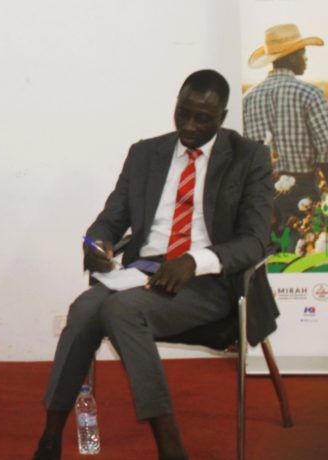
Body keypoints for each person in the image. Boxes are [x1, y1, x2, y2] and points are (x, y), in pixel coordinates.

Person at [33, 70, 277, 460]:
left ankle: (170, 447)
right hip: (142, 271)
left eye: (202, 119)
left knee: (121, 311)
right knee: (83, 310)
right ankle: (50, 436)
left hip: (208, 281)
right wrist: (96, 243)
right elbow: (110, 220)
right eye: (182, 113)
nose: (189, 126)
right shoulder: (146, 154)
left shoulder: (248, 158)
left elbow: (255, 239)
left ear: (223, 117)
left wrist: (195, 261)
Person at [242, 24, 328, 240]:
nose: (306, 60)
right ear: (292, 57)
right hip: (303, 193)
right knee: (304, 251)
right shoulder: (311, 94)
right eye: (303, 54)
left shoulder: (247, 99)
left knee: (269, 253)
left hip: (259, 197)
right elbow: (326, 150)